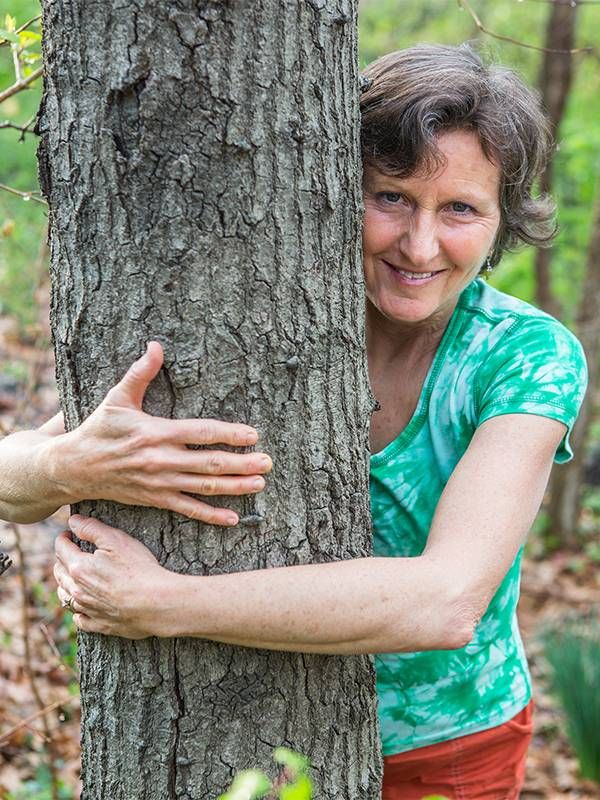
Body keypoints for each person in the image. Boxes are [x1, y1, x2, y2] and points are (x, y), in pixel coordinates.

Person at [0, 44, 587, 799]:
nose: (419, 244)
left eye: (461, 210)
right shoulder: (268, 311)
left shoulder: (524, 355)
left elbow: (446, 600)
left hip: (449, 747)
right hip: (243, 744)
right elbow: (11, 484)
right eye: (393, 196)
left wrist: (165, 603)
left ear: (503, 219)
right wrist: (71, 465)